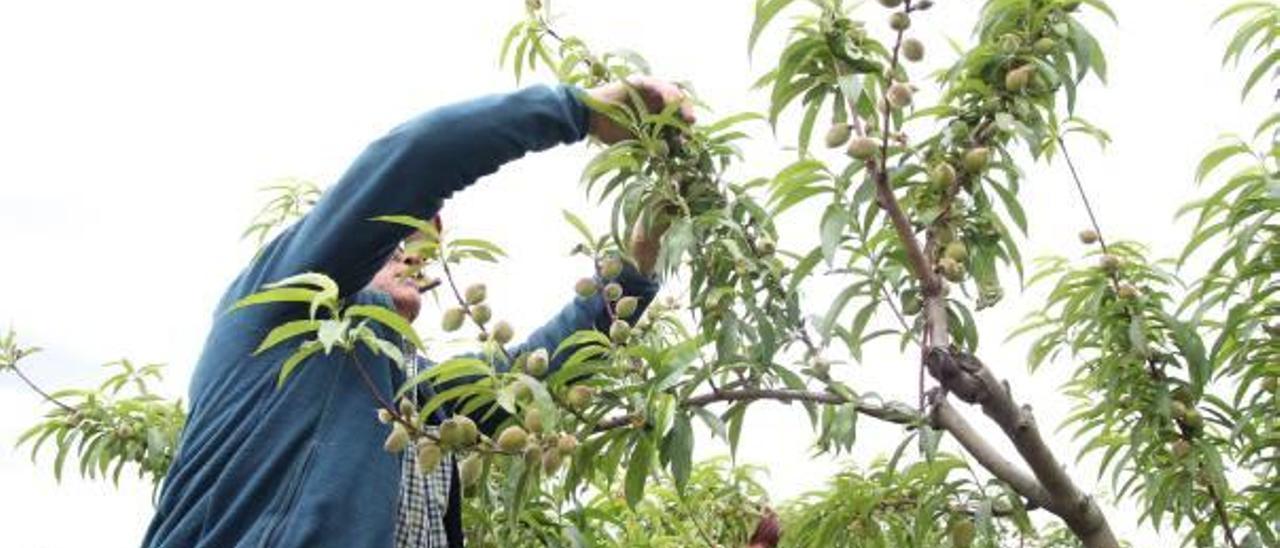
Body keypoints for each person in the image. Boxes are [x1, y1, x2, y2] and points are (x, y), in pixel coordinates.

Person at [141, 78, 690, 548]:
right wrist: (578, 109)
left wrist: (636, 266)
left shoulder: (419, 396)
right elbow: (412, 160)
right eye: (401, 232)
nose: (419, 244)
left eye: (428, 239)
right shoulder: (281, 309)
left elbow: (535, 375)